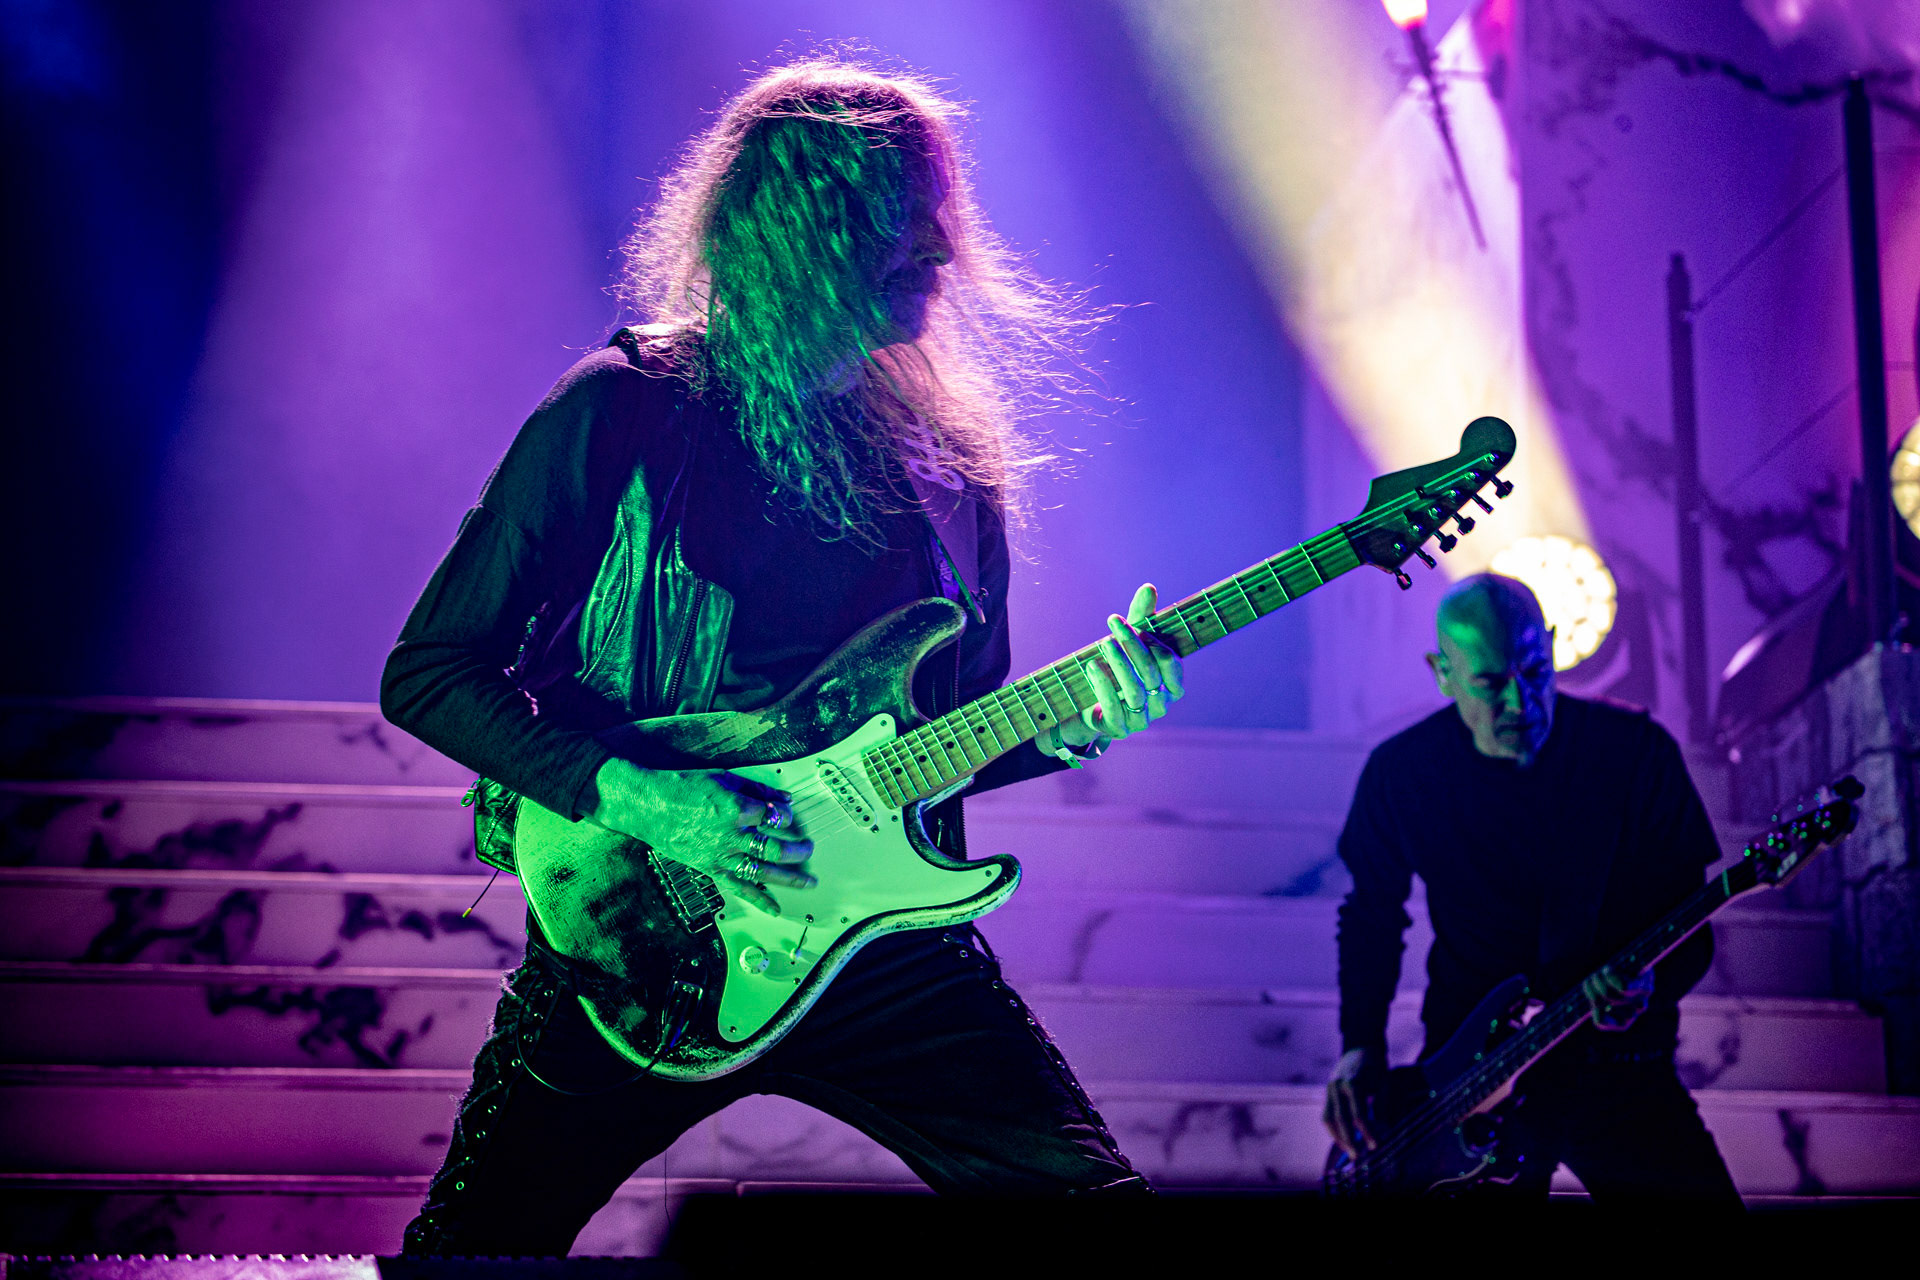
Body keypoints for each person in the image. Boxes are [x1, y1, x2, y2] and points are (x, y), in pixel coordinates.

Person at [380, 60, 1185, 1254]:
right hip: (652, 924)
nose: (945, 251)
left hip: (884, 945)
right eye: (906, 216)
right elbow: (431, 669)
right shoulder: (621, 409)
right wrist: (651, 800)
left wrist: (1061, 725)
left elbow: (945, 741)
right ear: (808, 227)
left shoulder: (948, 473)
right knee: (476, 1255)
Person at [1322, 574, 1742, 1202]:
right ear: (1442, 672)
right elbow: (1371, 917)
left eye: (1535, 670)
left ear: (1550, 645)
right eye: (1490, 682)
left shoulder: (1634, 753)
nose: (1521, 703)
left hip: (1618, 1067)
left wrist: (1651, 983)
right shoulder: (1401, 772)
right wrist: (1361, 1045)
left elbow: (1690, 921)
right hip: (1469, 1080)